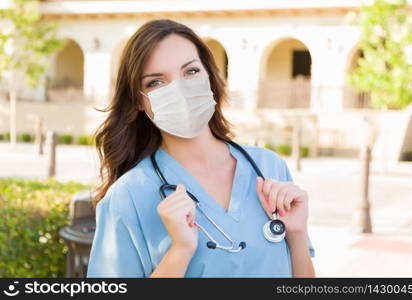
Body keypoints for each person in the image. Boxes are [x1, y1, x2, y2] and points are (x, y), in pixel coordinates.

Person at [86, 19, 315, 278]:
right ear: (139, 101)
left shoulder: (269, 167)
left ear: (210, 75)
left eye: (191, 71)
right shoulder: (128, 197)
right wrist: (180, 251)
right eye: (155, 82)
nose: (179, 89)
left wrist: (297, 234)